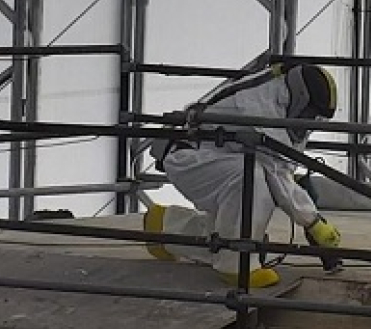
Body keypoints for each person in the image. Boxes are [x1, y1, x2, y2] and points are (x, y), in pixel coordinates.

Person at [143, 62, 343, 288]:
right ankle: (236, 265)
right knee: (251, 179)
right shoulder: (259, 109)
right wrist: (313, 222)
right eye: (310, 114)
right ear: (300, 98)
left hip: (215, 157)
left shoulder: (280, 100)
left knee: (238, 221)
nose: (310, 122)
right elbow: (274, 171)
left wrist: (300, 198)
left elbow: (281, 166)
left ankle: (165, 227)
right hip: (190, 159)